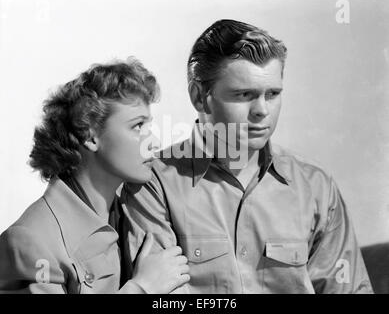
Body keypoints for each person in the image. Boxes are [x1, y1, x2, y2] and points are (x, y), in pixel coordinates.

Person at [121, 19, 373, 293]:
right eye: (244, 94)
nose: (262, 110)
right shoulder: (151, 184)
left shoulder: (316, 187)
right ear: (199, 97)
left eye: (273, 94)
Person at [0, 58, 190, 293]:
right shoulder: (32, 240)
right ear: (90, 136)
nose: (154, 142)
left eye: (148, 126)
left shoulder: (140, 211)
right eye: (137, 126)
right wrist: (141, 288)